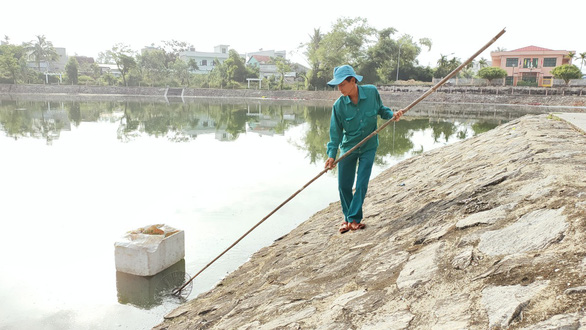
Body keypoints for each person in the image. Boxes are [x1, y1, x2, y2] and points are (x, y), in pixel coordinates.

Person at [324, 65, 404, 233]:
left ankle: (353, 219)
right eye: (337, 86)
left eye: (342, 84)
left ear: (353, 81)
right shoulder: (338, 106)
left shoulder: (372, 92)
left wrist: (392, 115)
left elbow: (381, 110)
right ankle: (348, 219)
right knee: (343, 186)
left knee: (361, 184)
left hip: (368, 146)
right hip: (348, 148)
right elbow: (335, 134)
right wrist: (331, 155)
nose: (339, 89)